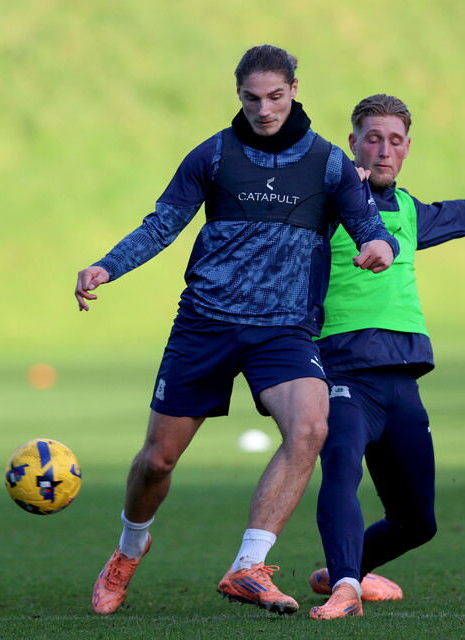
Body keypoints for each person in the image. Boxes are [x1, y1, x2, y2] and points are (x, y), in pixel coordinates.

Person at [74, 47, 401, 616]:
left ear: (295, 89)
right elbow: (162, 225)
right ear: (239, 96)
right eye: (252, 98)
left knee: (309, 428)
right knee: (157, 462)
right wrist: (108, 266)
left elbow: (368, 222)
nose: (265, 109)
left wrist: (381, 245)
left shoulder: (328, 162)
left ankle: (248, 565)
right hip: (205, 323)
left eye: (276, 96)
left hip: (285, 330)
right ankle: (129, 549)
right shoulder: (214, 155)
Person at [306, 94, 465, 619]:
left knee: (417, 522)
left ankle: (340, 570)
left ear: (407, 149)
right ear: (352, 142)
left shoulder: (410, 212)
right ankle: (347, 587)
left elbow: (464, 214)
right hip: (344, 369)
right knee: (341, 467)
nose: (383, 150)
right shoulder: (327, 204)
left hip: (403, 378)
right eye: (372, 138)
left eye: (394, 141)